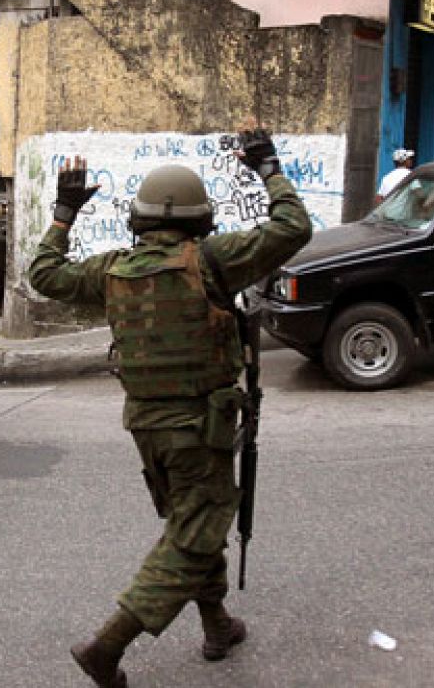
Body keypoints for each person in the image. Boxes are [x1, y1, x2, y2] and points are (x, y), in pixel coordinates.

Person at [28, 129, 313, 687]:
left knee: (194, 518)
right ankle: (107, 646)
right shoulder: (213, 260)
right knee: (194, 531)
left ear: (140, 219)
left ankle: (217, 624)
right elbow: (293, 227)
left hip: (147, 429)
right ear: (200, 219)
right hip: (200, 427)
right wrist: (269, 167)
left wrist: (65, 212)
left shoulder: (112, 269)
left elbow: (43, 275)